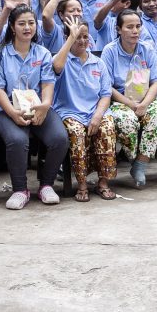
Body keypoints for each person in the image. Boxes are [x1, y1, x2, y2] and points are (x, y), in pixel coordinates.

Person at [0, 4, 67, 209]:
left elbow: (48, 83)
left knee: (59, 138)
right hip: (6, 109)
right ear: (12, 27)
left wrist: (45, 106)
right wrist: (13, 113)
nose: (27, 27)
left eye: (31, 23)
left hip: (37, 107)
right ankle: (20, 190)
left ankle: (46, 185)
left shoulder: (42, 53)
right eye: (21, 23)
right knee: (17, 139)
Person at [101, 9, 157, 188]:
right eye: (129, 27)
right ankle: (133, 159)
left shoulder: (147, 49)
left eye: (138, 26)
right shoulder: (110, 51)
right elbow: (107, 86)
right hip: (120, 100)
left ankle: (141, 164)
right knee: (127, 122)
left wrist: (144, 104)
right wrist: (130, 104)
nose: (135, 31)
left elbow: (156, 82)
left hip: (146, 98)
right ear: (119, 29)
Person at [53, 19, 118, 202]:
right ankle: (81, 184)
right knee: (76, 132)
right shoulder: (63, 59)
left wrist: (97, 116)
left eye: (85, 36)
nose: (82, 41)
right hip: (70, 112)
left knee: (107, 127)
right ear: (67, 38)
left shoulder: (98, 63)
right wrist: (70, 39)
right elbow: (56, 67)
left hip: (95, 111)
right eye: (77, 37)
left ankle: (103, 183)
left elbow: (106, 94)